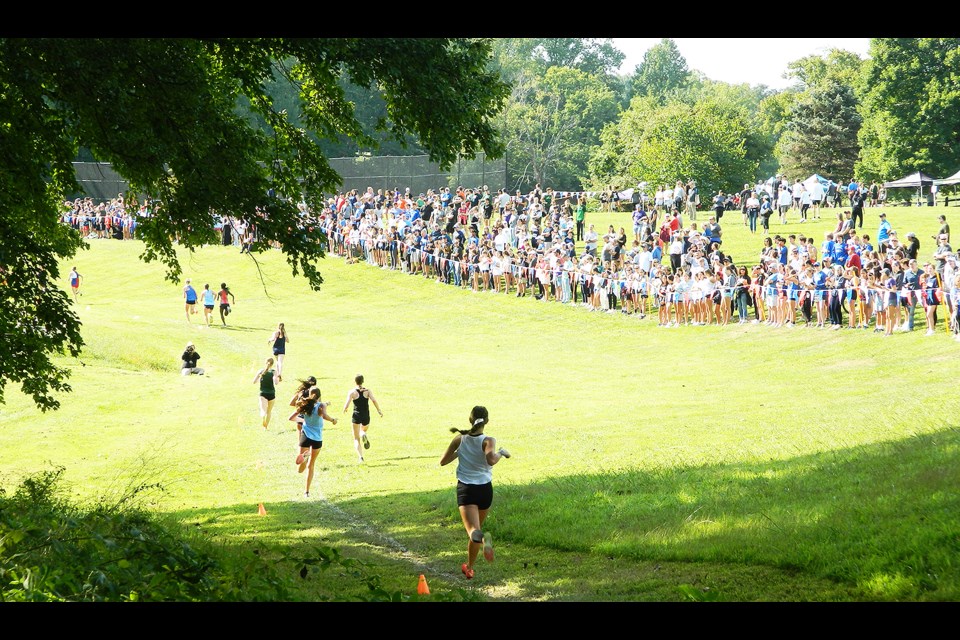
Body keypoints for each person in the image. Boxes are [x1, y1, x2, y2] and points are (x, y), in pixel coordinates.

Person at [439, 406, 510, 580]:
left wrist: (460, 451)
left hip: (467, 490)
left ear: (470, 420)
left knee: (474, 532)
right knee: (475, 532)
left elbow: (443, 461)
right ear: (487, 421)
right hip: (485, 490)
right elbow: (491, 460)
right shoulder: (488, 440)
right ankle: (469, 567)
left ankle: (485, 539)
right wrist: (501, 452)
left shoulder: (459, 439)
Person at [294, 386, 338, 498]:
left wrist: (303, 420)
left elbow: (291, 418)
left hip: (305, 436)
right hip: (317, 439)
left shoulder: (306, 405)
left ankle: (305, 456)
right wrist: (333, 420)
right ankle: (306, 492)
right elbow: (323, 414)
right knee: (311, 465)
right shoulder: (320, 406)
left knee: (300, 469)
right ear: (320, 396)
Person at [342, 374, 383, 463]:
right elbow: (374, 400)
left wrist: (345, 409)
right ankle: (363, 433)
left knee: (356, 439)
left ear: (354, 381)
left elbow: (347, 403)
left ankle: (361, 457)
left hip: (356, 415)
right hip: (366, 415)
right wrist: (379, 410)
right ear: (363, 381)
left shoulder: (352, 392)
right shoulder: (367, 391)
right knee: (363, 430)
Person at [253, 357, 280, 429]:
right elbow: (276, 383)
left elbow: (254, 382)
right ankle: (266, 427)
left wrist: (260, 378)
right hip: (272, 394)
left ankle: (262, 416)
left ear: (265, 363)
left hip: (263, 393)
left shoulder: (260, 371)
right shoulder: (274, 372)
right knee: (269, 411)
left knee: (263, 410)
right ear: (272, 364)